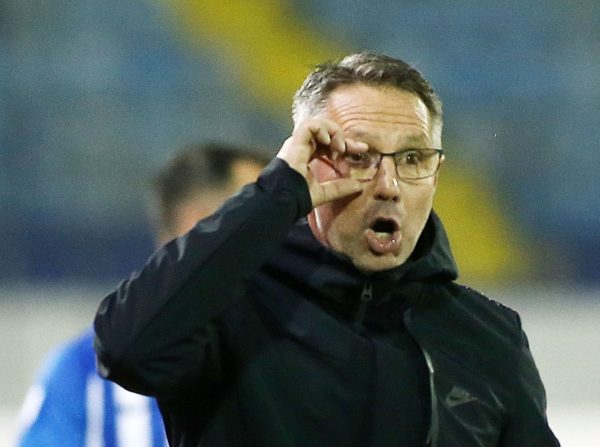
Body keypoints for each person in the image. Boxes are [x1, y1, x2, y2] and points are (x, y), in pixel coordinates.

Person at [93, 52, 559, 446]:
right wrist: (278, 192)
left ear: (435, 174)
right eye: (359, 156)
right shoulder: (231, 307)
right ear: (312, 166)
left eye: (412, 158)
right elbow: (126, 351)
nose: (389, 185)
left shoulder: (489, 337)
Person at [16, 143, 268, 447]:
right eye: (265, 216)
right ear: (201, 225)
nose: (288, 233)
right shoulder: (85, 376)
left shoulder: (296, 347)